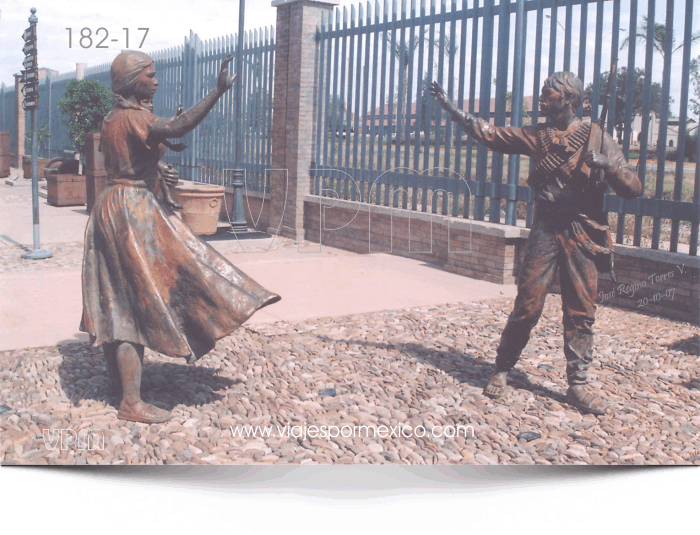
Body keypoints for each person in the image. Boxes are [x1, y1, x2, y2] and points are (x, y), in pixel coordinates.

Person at [80, 50, 281, 424]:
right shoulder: (134, 117)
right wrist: (216, 93)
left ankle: (120, 386)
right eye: (150, 76)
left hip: (111, 206)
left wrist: (158, 168)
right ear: (131, 80)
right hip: (132, 211)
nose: (156, 82)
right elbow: (177, 126)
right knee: (136, 300)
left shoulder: (112, 118)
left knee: (116, 297)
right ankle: (131, 402)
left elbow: (133, 156)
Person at [429, 71, 642, 415]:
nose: (541, 101)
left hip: (582, 231)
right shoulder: (537, 136)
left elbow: (633, 187)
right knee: (527, 305)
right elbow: (492, 135)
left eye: (548, 95)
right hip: (546, 228)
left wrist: (608, 166)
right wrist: (452, 108)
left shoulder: (597, 137)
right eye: (543, 94)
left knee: (581, 310)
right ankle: (502, 368)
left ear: (568, 100)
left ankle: (578, 383)